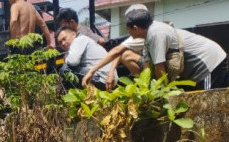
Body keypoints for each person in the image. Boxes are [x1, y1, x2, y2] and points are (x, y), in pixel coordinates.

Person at [84, 8, 227, 90]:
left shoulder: (156, 33)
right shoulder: (147, 36)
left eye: (128, 30)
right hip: (197, 70)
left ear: (135, 28)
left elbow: (160, 69)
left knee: (210, 99)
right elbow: (148, 67)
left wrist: (162, 94)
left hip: (209, 63)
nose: (129, 35)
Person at [81, 4, 149, 90]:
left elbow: (117, 50)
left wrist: (92, 71)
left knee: (128, 56)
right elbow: (119, 51)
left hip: (159, 65)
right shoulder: (138, 35)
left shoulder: (148, 32)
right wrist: (111, 72)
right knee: (126, 54)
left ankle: (146, 88)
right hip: (148, 64)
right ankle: (143, 86)